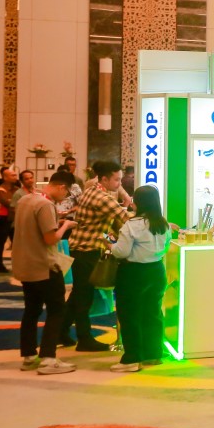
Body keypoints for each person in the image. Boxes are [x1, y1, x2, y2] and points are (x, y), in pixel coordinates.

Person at [12, 171, 78, 375]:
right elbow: (50, 239)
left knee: (31, 310)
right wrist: (66, 226)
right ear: (62, 187)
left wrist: (57, 223)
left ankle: (29, 355)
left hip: (25, 263)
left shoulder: (26, 199)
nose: (65, 197)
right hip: (45, 265)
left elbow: (34, 229)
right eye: (67, 193)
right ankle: (49, 358)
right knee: (57, 310)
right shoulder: (46, 204)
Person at [61, 160, 128, 351]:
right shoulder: (103, 198)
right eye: (116, 180)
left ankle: (61, 330)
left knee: (78, 294)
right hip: (87, 250)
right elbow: (126, 219)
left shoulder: (90, 191)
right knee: (84, 297)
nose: (119, 184)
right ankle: (84, 339)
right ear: (104, 179)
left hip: (80, 247)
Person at [107, 185, 171, 373]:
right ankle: (153, 353)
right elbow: (166, 247)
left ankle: (132, 359)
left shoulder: (132, 225)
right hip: (157, 271)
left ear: (138, 203)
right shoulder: (163, 223)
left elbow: (121, 252)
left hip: (133, 273)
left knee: (130, 316)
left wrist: (109, 245)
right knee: (152, 313)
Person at [0, 167, 19, 273]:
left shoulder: (16, 188)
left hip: (14, 219)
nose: (15, 177)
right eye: (13, 175)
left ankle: (18, 264)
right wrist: (14, 202)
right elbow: (9, 203)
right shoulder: (1, 190)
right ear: (5, 177)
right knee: (1, 242)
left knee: (16, 244)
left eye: (15, 175)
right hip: (3, 220)